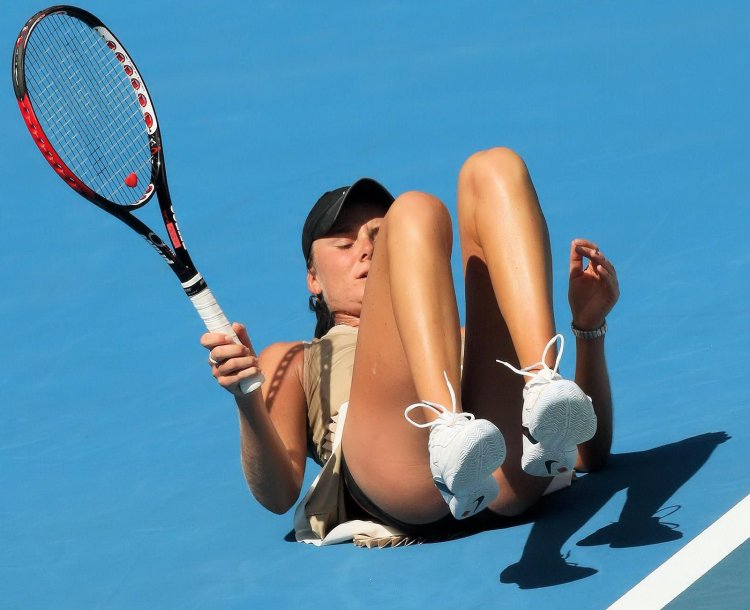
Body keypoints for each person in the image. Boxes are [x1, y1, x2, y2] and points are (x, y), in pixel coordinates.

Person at [200, 147, 619, 546]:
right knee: (416, 208)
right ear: (313, 278)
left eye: (380, 237)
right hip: (403, 480)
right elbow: (277, 495)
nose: (367, 249)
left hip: (503, 469)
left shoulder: (462, 339)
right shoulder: (296, 360)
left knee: (494, 167)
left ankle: (540, 379)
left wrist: (588, 329)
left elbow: (588, 454)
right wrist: (246, 397)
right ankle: (446, 433)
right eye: (344, 242)